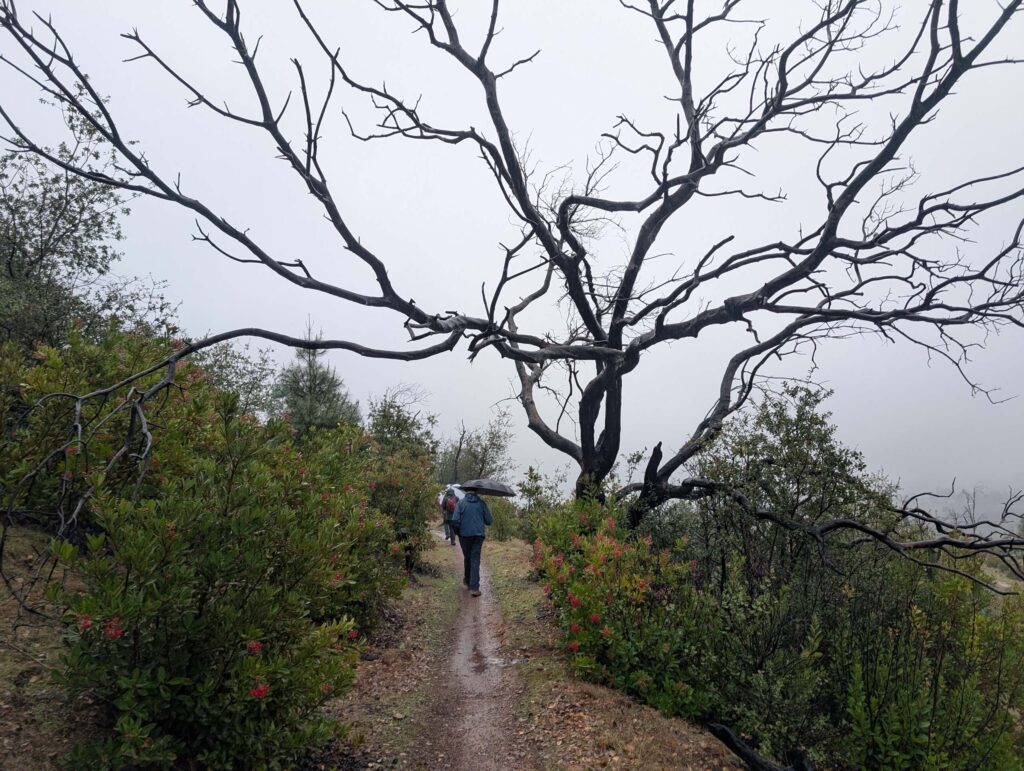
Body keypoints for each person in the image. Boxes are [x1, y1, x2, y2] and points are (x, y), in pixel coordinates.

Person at [450, 490, 492, 597]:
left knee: (467, 557)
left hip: (464, 536)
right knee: (475, 559)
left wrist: (458, 533)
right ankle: (474, 587)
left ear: (466, 493)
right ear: (476, 492)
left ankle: (468, 581)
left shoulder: (460, 503)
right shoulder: (482, 504)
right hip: (478, 536)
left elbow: (455, 521)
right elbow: (489, 520)